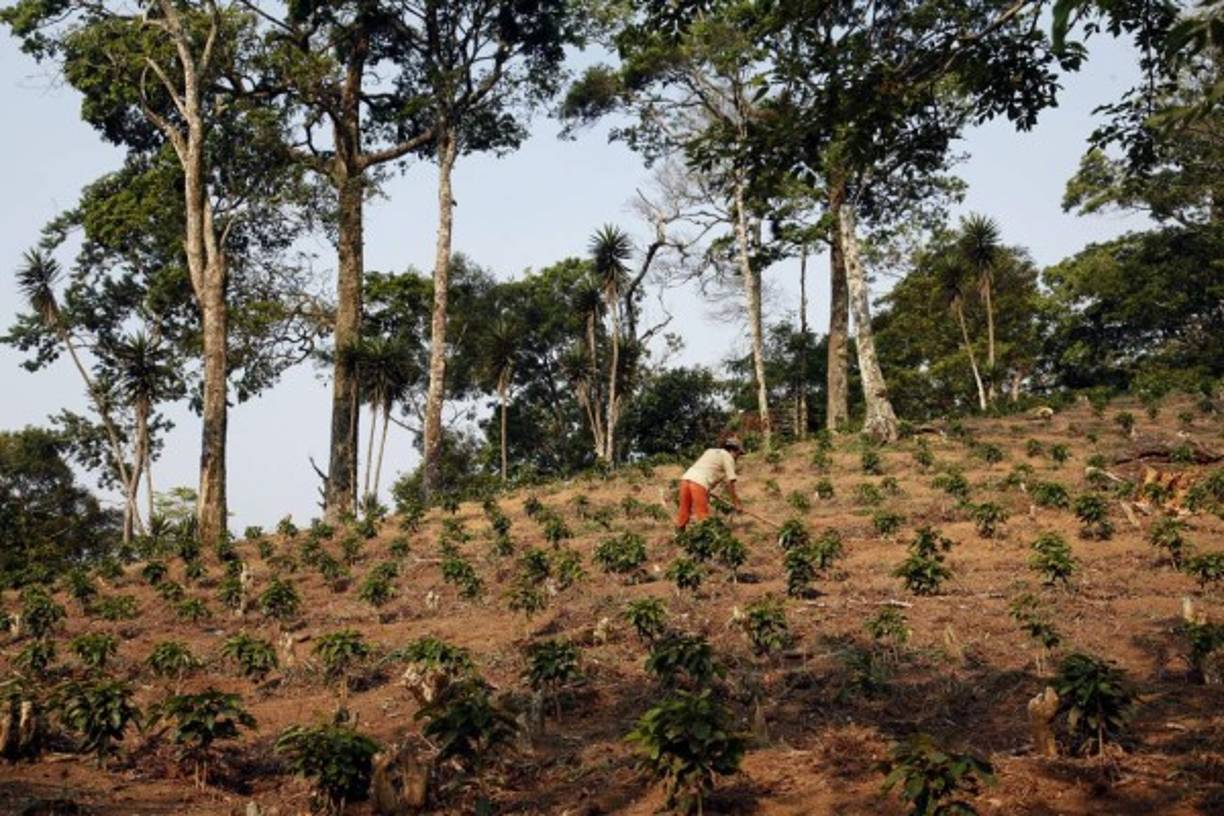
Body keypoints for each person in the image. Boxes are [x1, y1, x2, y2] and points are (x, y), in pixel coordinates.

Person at [676, 436, 745, 530]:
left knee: (684, 510)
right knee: (702, 515)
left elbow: (707, 469)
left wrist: (708, 491)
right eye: (739, 454)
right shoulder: (728, 457)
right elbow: (730, 482)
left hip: (686, 479)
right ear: (734, 450)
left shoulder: (710, 451)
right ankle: (705, 540)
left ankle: (680, 535)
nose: (738, 457)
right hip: (699, 483)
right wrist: (736, 503)